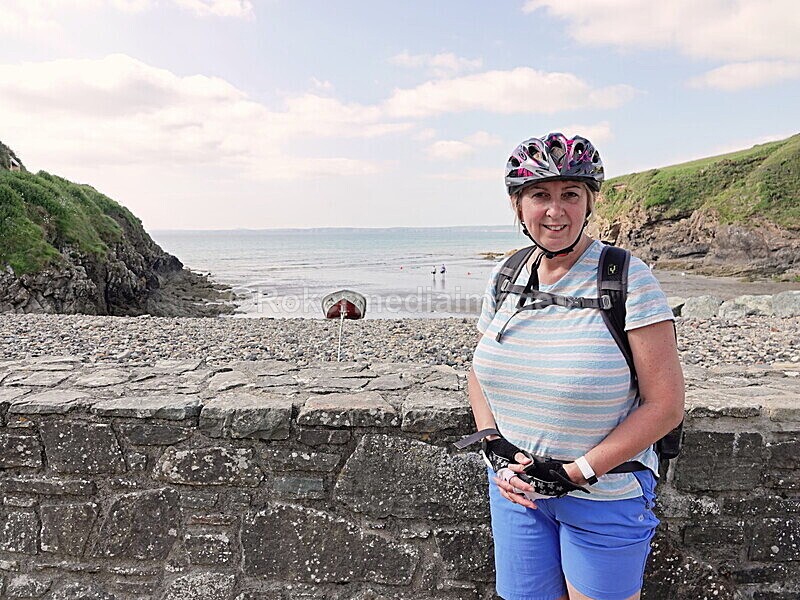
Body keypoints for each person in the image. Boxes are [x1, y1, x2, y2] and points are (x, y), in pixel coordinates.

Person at [467, 133, 685, 600]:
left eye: (570, 194)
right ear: (517, 205)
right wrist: (492, 443)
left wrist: (576, 472)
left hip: (603, 494)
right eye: (540, 195)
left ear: (589, 203)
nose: (555, 210)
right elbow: (477, 370)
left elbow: (664, 405)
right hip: (517, 493)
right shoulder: (507, 275)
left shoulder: (626, 277)